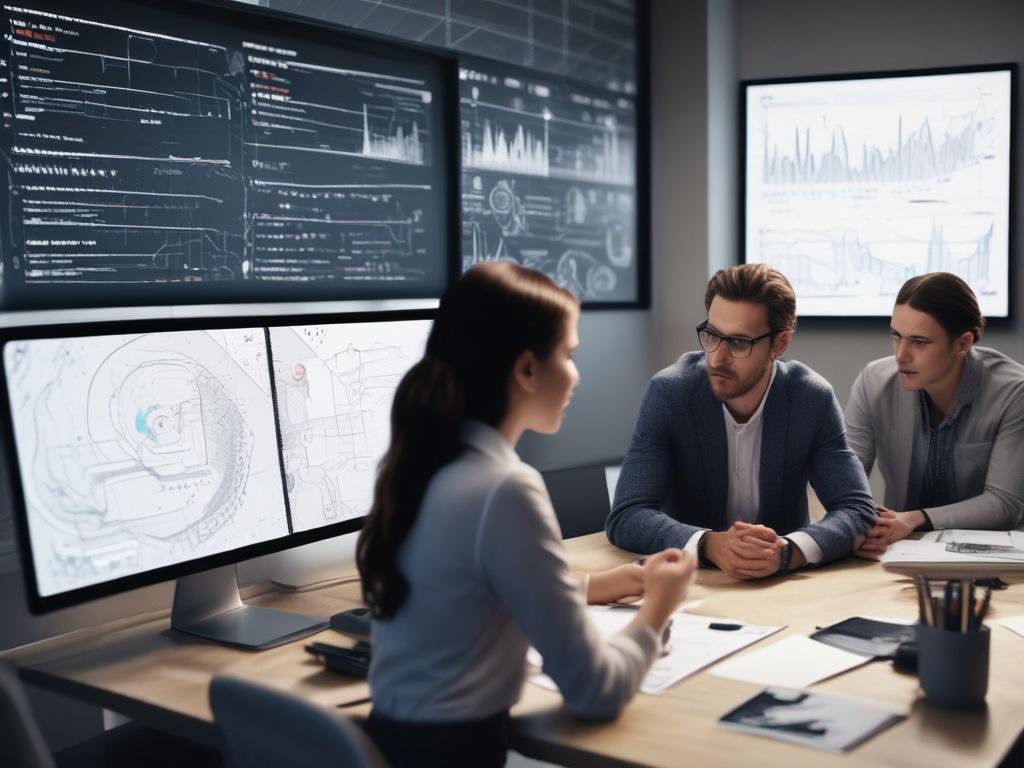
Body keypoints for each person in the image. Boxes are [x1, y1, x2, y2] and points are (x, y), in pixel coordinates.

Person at [357, 262, 695, 768]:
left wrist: (588, 588)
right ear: (527, 369)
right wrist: (659, 609)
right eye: (570, 354)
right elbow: (594, 690)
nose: (577, 374)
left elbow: (468, 594)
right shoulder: (507, 489)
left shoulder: (422, 466)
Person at [606, 263, 875, 579]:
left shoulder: (810, 398)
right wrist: (708, 544)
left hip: (782, 584)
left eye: (738, 343)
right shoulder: (670, 393)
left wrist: (789, 551)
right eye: (711, 335)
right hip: (692, 581)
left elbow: (857, 511)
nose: (717, 358)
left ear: (779, 344)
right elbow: (627, 514)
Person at [846, 272, 1024, 555]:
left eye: (919, 342)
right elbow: (845, 481)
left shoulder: (1014, 392)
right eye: (896, 336)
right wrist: (856, 520)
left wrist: (915, 518)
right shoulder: (873, 382)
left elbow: (1004, 503)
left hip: (990, 555)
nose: (901, 355)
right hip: (899, 551)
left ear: (963, 344)